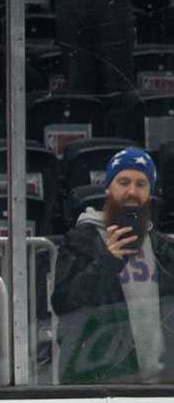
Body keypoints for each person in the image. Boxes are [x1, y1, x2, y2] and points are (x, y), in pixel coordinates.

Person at [52, 147, 174, 384]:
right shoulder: (81, 240)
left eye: (141, 184)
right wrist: (108, 261)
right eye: (124, 182)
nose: (132, 191)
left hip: (161, 385)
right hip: (101, 383)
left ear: (150, 192)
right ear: (108, 187)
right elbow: (64, 302)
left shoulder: (163, 248)